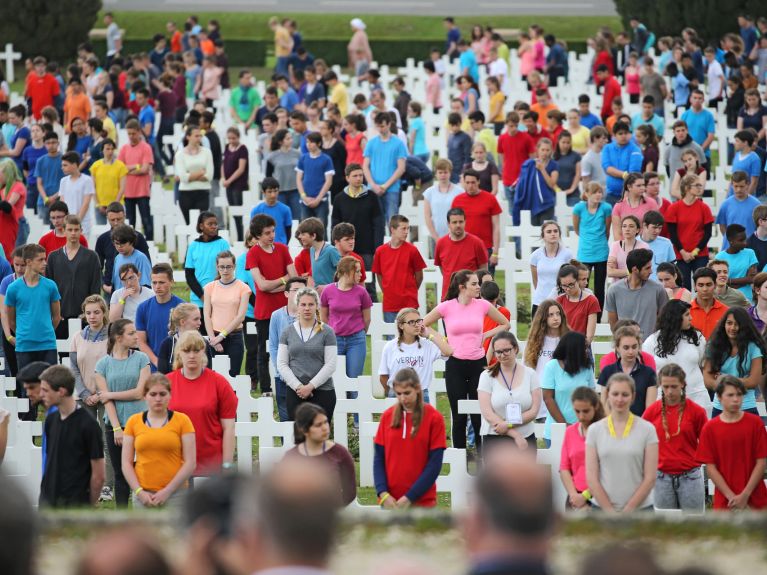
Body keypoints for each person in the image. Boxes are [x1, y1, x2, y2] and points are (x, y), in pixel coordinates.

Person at [422, 270, 510, 450]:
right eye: (474, 284)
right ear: (462, 287)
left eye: (478, 283)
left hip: (478, 364)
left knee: (479, 415)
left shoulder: (483, 305)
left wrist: (485, 335)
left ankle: (482, 458)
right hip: (455, 365)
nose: (479, 287)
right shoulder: (446, 307)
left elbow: (505, 324)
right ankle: (460, 460)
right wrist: (439, 340)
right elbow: (423, 324)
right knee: (458, 416)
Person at [93, 318, 150, 507]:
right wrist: (117, 428)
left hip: (141, 422)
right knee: (120, 473)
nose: (136, 336)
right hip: (114, 425)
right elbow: (106, 400)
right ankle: (122, 515)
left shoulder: (142, 359)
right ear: (118, 338)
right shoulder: (102, 365)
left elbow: (139, 392)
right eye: (131, 333)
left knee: (143, 469)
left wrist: (109, 393)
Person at [586, 373, 659, 512]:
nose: (620, 399)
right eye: (615, 394)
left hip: (640, 510)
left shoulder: (648, 430)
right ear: (608, 395)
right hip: (602, 510)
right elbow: (592, 478)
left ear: (633, 396)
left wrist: (627, 511)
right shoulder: (594, 430)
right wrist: (610, 512)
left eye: (625, 394)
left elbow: (650, 477)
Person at [168, 331, 238, 476]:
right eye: (187, 350)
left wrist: (226, 465)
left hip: (211, 466)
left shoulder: (219, 383)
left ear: (203, 352)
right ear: (179, 353)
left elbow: (229, 428)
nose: (192, 355)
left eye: (196, 350)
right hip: (174, 465)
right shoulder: (166, 383)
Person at [374, 367, 446, 509]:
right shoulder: (387, 416)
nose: (402, 398)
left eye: (407, 393)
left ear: (418, 389)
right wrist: (382, 493)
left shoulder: (434, 418)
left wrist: (409, 497)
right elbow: (378, 458)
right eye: (398, 394)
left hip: (422, 502)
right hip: (391, 502)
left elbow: (434, 464)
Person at [122, 373, 196, 508]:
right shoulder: (133, 422)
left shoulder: (183, 421)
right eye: (153, 394)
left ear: (170, 395)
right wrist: (139, 492)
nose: (158, 399)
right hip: (142, 494)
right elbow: (126, 463)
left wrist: (167, 491)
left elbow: (190, 462)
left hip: (176, 495)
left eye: (162, 394)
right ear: (145, 396)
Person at [642, 364, 707, 513]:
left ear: (683, 384)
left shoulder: (697, 412)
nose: (669, 391)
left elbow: (707, 443)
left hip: (690, 476)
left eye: (674, 386)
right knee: (664, 528)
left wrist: (695, 461)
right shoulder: (651, 412)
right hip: (660, 477)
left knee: (694, 525)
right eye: (665, 387)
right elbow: (641, 442)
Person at [696, 375, 767, 510]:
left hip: (756, 498)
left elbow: (761, 462)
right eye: (730, 395)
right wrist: (730, 496)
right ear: (719, 396)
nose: (735, 399)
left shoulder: (755, 424)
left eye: (739, 394)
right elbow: (711, 468)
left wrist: (745, 494)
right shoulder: (710, 428)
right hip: (725, 501)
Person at [39, 364, 105, 507]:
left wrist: (88, 504)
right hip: (48, 500)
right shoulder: (51, 420)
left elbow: (99, 475)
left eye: (45, 390)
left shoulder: (88, 425)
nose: (41, 395)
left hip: (76, 504)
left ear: (61, 391)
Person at [246, 214, 296, 394]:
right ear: (258, 236)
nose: (271, 235)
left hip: (287, 309)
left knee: (291, 348)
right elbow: (261, 285)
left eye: (273, 231)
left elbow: (295, 280)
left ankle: (290, 383)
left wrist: (273, 285)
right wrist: (283, 280)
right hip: (265, 311)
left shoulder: (282, 249)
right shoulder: (253, 253)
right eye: (267, 233)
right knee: (264, 350)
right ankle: (266, 388)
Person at [277, 287, 337, 421]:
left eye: (311, 304)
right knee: (299, 437)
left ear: (317, 306)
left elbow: (331, 364)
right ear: (297, 306)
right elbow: (282, 364)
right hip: (295, 392)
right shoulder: (287, 332)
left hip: (323, 391)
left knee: (320, 436)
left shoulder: (327, 332)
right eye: (303, 304)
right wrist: (299, 387)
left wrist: (310, 386)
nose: (307, 308)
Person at [479, 332, 541, 451]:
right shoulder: (486, 376)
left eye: (507, 350)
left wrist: (508, 424)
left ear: (516, 348)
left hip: (526, 436)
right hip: (495, 437)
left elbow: (534, 411)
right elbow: (487, 413)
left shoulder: (531, 375)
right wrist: (515, 435)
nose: (503, 355)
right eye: (498, 352)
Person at [286, 403, 356, 506]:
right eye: (318, 425)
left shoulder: (340, 453)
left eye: (325, 422)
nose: (325, 428)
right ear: (304, 430)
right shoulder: (291, 457)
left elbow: (350, 491)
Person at [378, 307, 452, 403]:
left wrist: (429, 335)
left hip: (421, 395)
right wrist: (393, 392)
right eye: (411, 322)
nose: (417, 325)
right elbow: (383, 376)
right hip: (397, 394)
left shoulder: (427, 344)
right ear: (401, 325)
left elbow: (448, 351)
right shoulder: (390, 346)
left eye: (418, 321)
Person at [6, 243, 61, 370]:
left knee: (50, 386)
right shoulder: (13, 288)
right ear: (29, 262)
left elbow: (57, 317)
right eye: (40, 259)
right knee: (27, 388)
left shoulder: (51, 286)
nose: (45, 263)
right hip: (24, 346)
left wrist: (45, 332)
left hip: (48, 345)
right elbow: (12, 321)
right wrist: (25, 334)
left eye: (45, 259)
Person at [703, 307, 766, 418]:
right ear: (724, 324)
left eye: (737, 324)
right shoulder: (714, 345)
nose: (733, 328)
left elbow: (753, 381)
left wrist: (723, 380)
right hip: (720, 408)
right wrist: (740, 381)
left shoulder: (753, 347)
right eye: (729, 323)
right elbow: (707, 380)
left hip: (747, 407)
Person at [45, 215, 101, 339]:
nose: (73, 233)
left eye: (76, 230)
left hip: (85, 316)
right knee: (61, 354)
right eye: (70, 230)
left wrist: (89, 312)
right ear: (64, 230)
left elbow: (95, 286)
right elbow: (48, 287)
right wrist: (54, 313)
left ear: (81, 231)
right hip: (60, 316)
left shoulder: (91, 256)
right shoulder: (53, 257)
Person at [331, 163, 384, 287]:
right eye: (355, 176)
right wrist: (335, 247)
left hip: (367, 249)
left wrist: (377, 248)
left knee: (369, 283)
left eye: (361, 175)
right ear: (347, 178)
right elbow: (335, 225)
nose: (359, 178)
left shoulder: (372, 197)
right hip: (344, 250)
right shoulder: (339, 198)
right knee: (343, 282)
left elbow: (379, 224)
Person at [320, 256, 371, 380]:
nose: (361, 274)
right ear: (345, 272)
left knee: (354, 381)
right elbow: (323, 317)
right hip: (334, 340)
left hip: (356, 341)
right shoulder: (328, 291)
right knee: (335, 381)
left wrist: (359, 333)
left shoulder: (362, 292)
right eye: (357, 271)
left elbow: (367, 319)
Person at [541, 331, 594, 447]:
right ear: (573, 349)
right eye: (584, 347)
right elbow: (548, 399)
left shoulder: (587, 367)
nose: (587, 351)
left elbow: (592, 397)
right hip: (556, 430)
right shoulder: (552, 366)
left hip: (583, 429)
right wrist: (565, 425)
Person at [203, 250, 250, 378]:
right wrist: (213, 338)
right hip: (214, 337)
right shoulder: (209, 287)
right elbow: (206, 315)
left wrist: (222, 336)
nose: (225, 270)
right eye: (221, 267)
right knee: (213, 377)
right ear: (217, 267)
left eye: (228, 267)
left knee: (232, 376)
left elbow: (240, 316)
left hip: (234, 337)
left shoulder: (243, 288)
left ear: (234, 267)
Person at [606, 248, 668, 341]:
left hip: (652, 346)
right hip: (625, 347)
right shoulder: (613, 290)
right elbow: (613, 324)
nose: (651, 271)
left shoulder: (658, 290)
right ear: (635, 269)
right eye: (647, 268)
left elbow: (664, 320)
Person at [559, 386, 604, 510]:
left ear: (596, 407)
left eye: (585, 411)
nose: (581, 416)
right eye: (577, 411)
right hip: (574, 497)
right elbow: (564, 467)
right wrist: (573, 495)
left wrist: (585, 497)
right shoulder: (570, 432)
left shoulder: (604, 432)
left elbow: (608, 472)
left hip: (600, 499)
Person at [597, 326, 657, 417]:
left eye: (634, 347)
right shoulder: (608, 371)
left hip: (639, 425)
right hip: (612, 426)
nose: (631, 351)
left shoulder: (649, 373)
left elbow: (649, 409)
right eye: (626, 347)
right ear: (617, 348)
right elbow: (604, 405)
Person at [452, 168, 502, 271]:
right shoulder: (457, 200)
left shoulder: (490, 199)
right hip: (463, 247)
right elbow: (453, 226)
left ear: (479, 182)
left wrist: (495, 253)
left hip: (485, 248)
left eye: (473, 182)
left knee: (486, 284)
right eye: (468, 182)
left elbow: (496, 227)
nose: (470, 185)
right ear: (463, 183)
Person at [184, 211, 230, 323]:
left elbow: (227, 268)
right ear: (201, 226)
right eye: (210, 224)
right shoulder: (193, 246)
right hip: (197, 299)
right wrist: (203, 296)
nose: (214, 227)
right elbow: (189, 275)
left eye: (215, 224)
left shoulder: (222, 244)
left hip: (218, 297)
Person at [95, 202, 151, 295]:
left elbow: (146, 267)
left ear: (124, 215)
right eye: (112, 220)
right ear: (107, 218)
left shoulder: (138, 238)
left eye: (119, 219)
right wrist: (104, 285)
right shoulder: (103, 240)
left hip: (135, 293)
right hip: (113, 290)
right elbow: (98, 266)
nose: (116, 222)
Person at [136, 263, 184, 370]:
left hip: (178, 366)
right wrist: (157, 362)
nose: (157, 286)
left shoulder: (183, 307)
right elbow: (141, 342)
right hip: (152, 367)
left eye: (162, 282)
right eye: (154, 282)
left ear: (171, 282)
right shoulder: (142, 308)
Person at [434, 208, 488, 301]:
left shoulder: (476, 243)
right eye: (454, 222)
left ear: (465, 222)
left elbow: (483, 270)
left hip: (471, 297)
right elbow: (443, 268)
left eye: (461, 222)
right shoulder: (441, 243)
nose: (458, 225)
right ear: (448, 224)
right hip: (449, 296)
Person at [363, 112, 407, 225]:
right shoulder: (371, 143)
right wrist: (373, 185)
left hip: (392, 189)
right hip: (373, 188)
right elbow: (365, 166)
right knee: (373, 223)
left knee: (393, 223)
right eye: (378, 126)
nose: (380, 129)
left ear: (389, 124)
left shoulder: (398, 143)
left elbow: (401, 168)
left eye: (382, 126)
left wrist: (385, 186)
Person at [572, 182, 611, 309]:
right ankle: (584, 314)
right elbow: (577, 229)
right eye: (595, 192)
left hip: (601, 253)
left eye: (600, 192)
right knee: (583, 286)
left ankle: (597, 318)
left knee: (599, 288)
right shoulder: (579, 208)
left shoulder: (606, 208)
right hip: (585, 253)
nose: (598, 195)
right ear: (587, 193)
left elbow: (607, 230)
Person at [118, 119, 154, 241]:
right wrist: (136, 166)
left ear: (139, 132)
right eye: (129, 134)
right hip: (128, 192)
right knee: (130, 221)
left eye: (133, 133)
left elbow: (145, 169)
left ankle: (150, 243)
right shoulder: (124, 148)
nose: (131, 136)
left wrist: (129, 169)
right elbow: (120, 168)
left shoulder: (146, 147)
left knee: (146, 220)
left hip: (142, 191)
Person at [512, 137, 558, 226]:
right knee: (533, 234)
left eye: (547, 150)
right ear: (538, 150)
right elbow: (523, 183)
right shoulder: (529, 164)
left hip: (547, 204)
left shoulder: (554, 165)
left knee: (545, 231)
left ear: (551, 151)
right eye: (543, 149)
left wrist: (542, 169)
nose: (545, 152)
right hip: (532, 203)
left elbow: (552, 184)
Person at [530, 221, 572, 318]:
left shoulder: (567, 254)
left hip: (561, 300)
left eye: (555, 231)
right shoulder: (535, 256)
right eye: (549, 232)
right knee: (538, 332)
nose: (553, 234)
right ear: (543, 236)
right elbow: (535, 280)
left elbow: (571, 278)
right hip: (539, 301)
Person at [174, 126, 213, 224]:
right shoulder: (180, 154)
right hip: (186, 193)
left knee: (201, 223)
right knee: (189, 224)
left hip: (202, 192)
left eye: (200, 136)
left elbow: (209, 176)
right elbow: (183, 177)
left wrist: (190, 175)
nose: (199, 138)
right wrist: (200, 173)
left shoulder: (207, 152)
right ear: (188, 137)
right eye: (196, 136)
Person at [296, 132, 334, 226]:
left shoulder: (326, 159)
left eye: (311, 142)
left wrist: (318, 199)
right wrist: (303, 196)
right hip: (305, 201)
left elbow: (328, 181)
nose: (308, 144)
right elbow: (298, 179)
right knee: (305, 228)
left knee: (321, 229)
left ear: (319, 143)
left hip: (321, 201)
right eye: (307, 142)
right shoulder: (303, 158)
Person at [601, 121, 642, 205]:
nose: (624, 136)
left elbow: (633, 173)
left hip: (630, 194)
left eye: (626, 133)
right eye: (620, 133)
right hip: (610, 194)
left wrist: (625, 175)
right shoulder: (607, 148)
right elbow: (607, 168)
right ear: (614, 135)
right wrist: (624, 175)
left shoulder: (635, 149)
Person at [714, 224, 759, 301]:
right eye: (741, 240)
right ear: (731, 241)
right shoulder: (719, 257)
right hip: (725, 298)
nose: (745, 243)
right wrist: (743, 281)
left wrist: (729, 281)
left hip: (746, 298)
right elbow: (717, 280)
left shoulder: (750, 253)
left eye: (745, 239)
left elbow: (752, 278)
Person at [610, 172, 658, 241]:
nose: (642, 188)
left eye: (643, 185)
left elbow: (655, 227)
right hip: (626, 247)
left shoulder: (651, 203)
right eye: (639, 186)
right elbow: (617, 233)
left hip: (646, 246)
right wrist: (623, 249)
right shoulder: (618, 206)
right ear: (629, 187)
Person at [221, 127, 250, 241]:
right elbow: (223, 164)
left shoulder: (242, 149)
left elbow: (241, 168)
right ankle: (237, 237)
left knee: (239, 213)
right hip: (228, 185)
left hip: (239, 185)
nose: (231, 140)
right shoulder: (227, 147)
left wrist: (229, 180)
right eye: (229, 138)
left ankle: (241, 237)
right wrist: (223, 178)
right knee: (233, 212)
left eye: (234, 138)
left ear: (238, 137)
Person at [680, 90, 716, 171]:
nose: (697, 100)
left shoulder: (708, 116)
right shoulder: (685, 115)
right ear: (690, 99)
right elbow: (681, 133)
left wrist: (700, 150)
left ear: (703, 100)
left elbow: (711, 136)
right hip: (687, 154)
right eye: (695, 98)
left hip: (704, 155)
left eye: (700, 98)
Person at [607, 215, 649, 282]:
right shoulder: (615, 245)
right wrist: (633, 271)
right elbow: (610, 272)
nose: (627, 229)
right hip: (618, 286)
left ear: (637, 230)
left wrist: (619, 272)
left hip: (638, 285)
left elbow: (643, 272)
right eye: (624, 226)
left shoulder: (644, 247)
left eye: (631, 226)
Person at [0, 159, 25, 259]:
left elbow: (8, 205)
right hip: (5, 225)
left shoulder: (18, 186)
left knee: (16, 256)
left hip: (16, 223)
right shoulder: (3, 189)